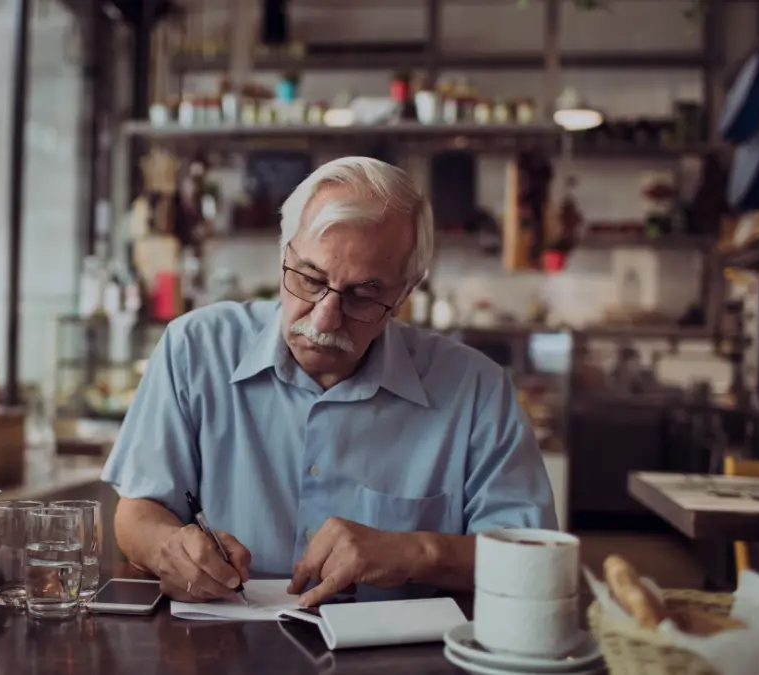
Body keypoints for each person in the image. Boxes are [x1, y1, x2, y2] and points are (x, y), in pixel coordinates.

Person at [101, 156, 557, 607]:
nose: (325, 317)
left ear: (403, 295)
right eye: (309, 278)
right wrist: (170, 549)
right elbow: (137, 511)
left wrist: (417, 552)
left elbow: (536, 561)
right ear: (284, 254)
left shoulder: (475, 390)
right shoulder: (195, 348)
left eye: (363, 294)